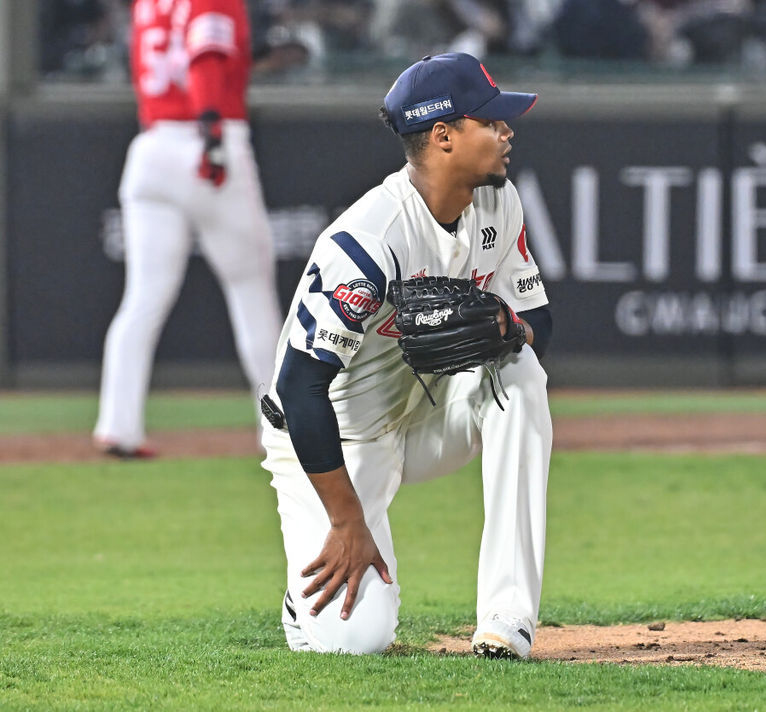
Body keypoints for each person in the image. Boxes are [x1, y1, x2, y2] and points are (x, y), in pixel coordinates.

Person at [260, 52, 554, 658]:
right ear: (444, 136)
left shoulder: (498, 202)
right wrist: (346, 521)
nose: (508, 131)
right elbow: (300, 386)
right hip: (340, 439)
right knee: (357, 640)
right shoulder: (369, 240)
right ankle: (301, 604)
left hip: (428, 412)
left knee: (520, 371)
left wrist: (509, 329)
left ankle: (507, 615)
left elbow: (539, 324)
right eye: (491, 121)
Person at [94, 0, 283, 457]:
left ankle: (118, 426)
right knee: (251, 291)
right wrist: (213, 134)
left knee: (143, 297)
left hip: (152, 145)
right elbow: (206, 58)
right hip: (206, 141)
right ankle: (282, 426)